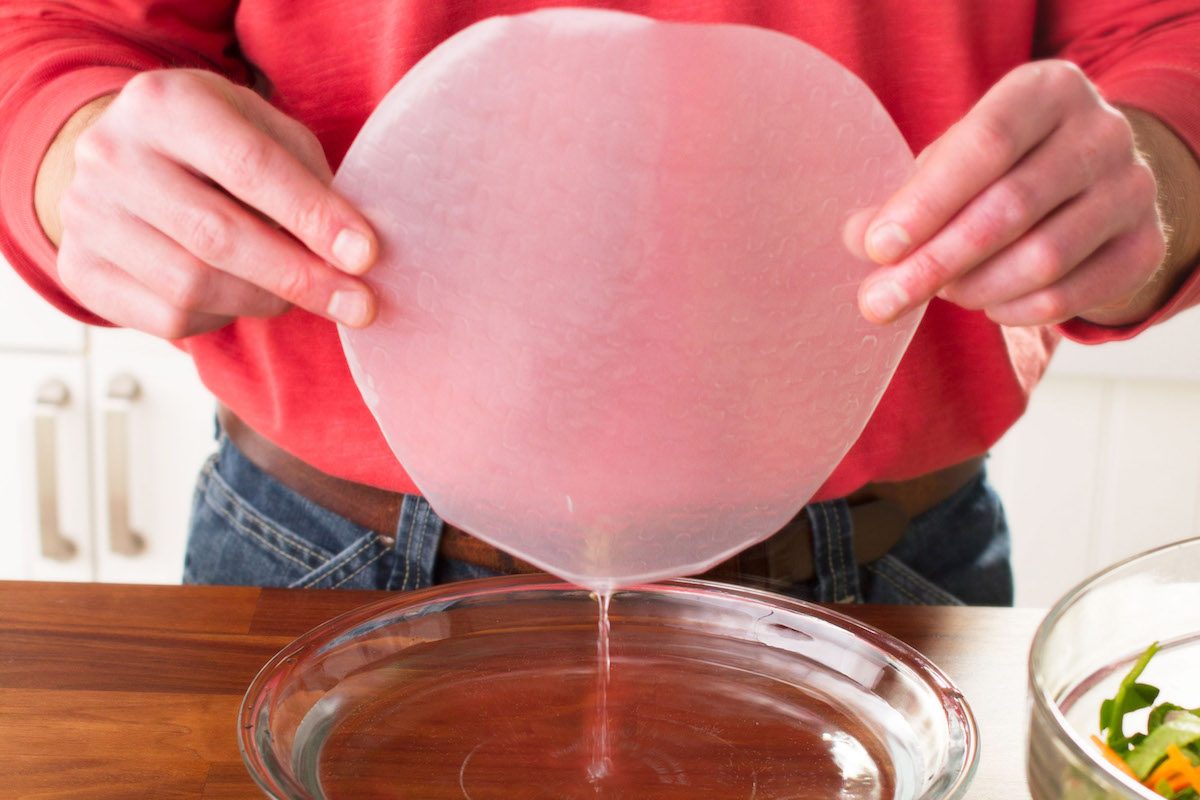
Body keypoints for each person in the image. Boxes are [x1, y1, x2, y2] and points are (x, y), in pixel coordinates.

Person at [2, 1, 1197, 606]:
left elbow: (1164, 41)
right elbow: (58, 36)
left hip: (888, 571)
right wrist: (71, 156)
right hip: (324, 555)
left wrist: (1150, 172)